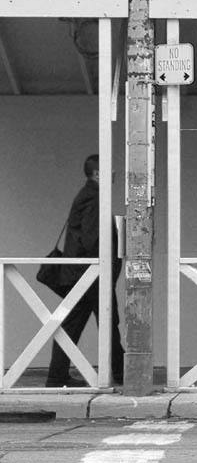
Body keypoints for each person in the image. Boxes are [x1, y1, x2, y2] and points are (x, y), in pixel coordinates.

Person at [45, 154, 125, 387]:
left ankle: (57, 375)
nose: (114, 173)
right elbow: (92, 239)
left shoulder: (88, 195)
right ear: (98, 173)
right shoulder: (95, 198)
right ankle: (120, 372)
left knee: (85, 322)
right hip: (90, 274)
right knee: (106, 321)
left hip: (84, 273)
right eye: (109, 169)